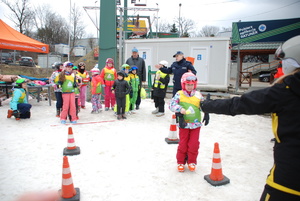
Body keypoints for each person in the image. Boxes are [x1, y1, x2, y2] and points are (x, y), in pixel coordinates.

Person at [200, 35, 300, 201]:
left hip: (288, 182)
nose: (281, 65)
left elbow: (240, 104)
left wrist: (206, 105)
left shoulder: (287, 90)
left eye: (283, 61)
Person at [169, 72, 209, 172]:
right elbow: (171, 105)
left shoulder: (198, 95)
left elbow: (204, 105)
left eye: (192, 85)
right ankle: (181, 162)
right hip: (184, 124)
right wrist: (179, 108)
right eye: (188, 85)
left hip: (196, 124)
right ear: (184, 84)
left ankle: (192, 161)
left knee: (194, 144)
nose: (190, 87)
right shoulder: (179, 94)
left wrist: (207, 112)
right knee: (183, 144)